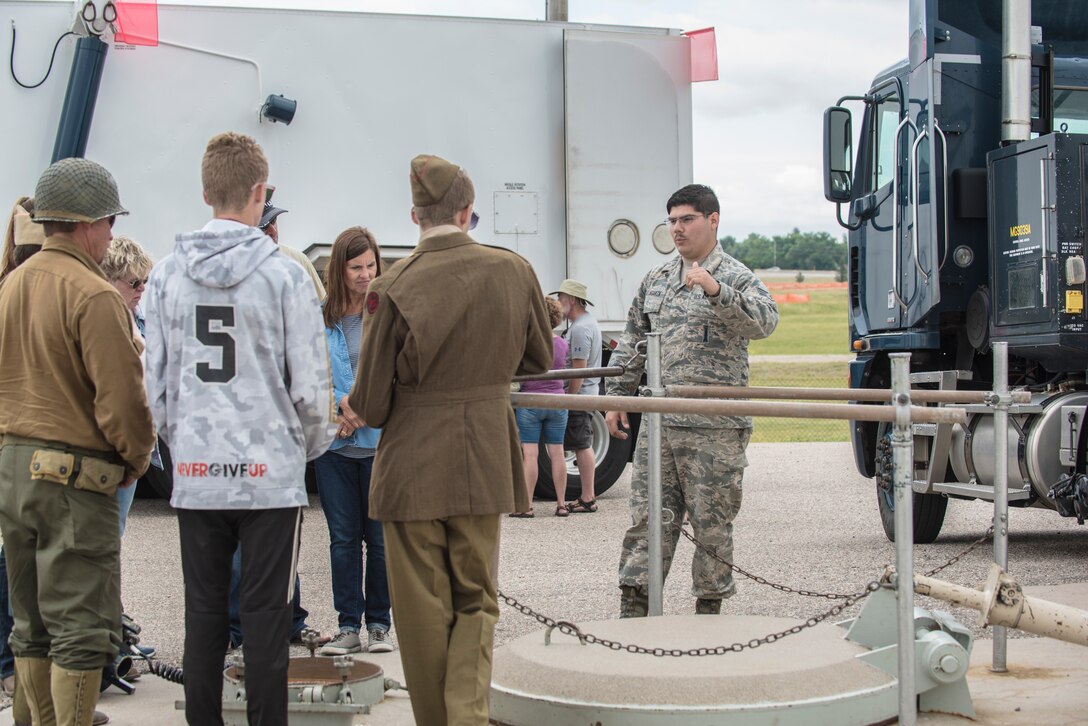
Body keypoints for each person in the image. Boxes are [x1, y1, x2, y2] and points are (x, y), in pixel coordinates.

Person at [350, 154, 552, 725]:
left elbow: (371, 403)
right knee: (477, 599)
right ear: (468, 212)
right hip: (486, 451)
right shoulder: (513, 270)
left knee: (420, 613)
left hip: (412, 463)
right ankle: (467, 717)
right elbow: (538, 357)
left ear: (414, 214)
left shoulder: (393, 287)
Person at [143, 132, 335, 726]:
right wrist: (307, 447)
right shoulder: (285, 277)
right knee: (265, 620)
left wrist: (181, 443)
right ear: (260, 192)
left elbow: (153, 385)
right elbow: (309, 385)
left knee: (202, 617)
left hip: (199, 473)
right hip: (269, 475)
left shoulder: (168, 276)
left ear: (205, 192)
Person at [0, 159, 156, 725]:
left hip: (13, 470)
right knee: (83, 631)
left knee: (31, 625)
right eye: (109, 220)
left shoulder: (11, 284)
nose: (112, 232)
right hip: (72, 476)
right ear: (88, 223)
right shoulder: (93, 294)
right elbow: (123, 402)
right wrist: (137, 459)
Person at [606, 183, 779, 617]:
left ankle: (708, 617)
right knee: (648, 522)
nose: (677, 229)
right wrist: (616, 399)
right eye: (672, 220)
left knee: (711, 527)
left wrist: (717, 290)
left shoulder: (735, 275)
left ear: (712, 220)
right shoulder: (657, 279)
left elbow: (765, 322)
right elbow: (632, 342)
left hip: (713, 429)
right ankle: (636, 613)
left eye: (687, 219)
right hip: (659, 426)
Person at [225, 192, 328, 650]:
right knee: (251, 543)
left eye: (274, 223)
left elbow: (316, 335)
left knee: (273, 544)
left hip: (257, 430)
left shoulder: (285, 263)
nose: (272, 230)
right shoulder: (276, 268)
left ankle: (282, 621)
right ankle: (242, 630)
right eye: (265, 222)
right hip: (255, 430)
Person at [313, 227, 393, 656]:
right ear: (339, 269)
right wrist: (338, 408)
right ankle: (349, 625)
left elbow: (398, 370)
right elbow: (305, 375)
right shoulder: (318, 315)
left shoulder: (384, 313)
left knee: (379, 540)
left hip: (380, 445)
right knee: (343, 539)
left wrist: (362, 407)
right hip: (334, 448)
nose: (365, 275)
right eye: (356, 267)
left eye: (371, 266)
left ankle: (380, 624)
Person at [99, 236, 160, 537]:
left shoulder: (140, 322)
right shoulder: (99, 321)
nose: (142, 290)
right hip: (108, 449)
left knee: (114, 536)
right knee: (101, 540)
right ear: (109, 279)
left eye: (145, 281)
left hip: (135, 451)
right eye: (135, 282)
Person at [511, 296, 570, 518]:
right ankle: (562, 504)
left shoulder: (527, 342)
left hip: (531, 401)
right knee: (557, 453)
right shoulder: (562, 343)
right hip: (558, 401)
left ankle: (526, 506)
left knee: (530, 454)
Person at [553, 279, 603, 514]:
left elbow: (579, 369)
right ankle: (587, 496)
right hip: (584, 393)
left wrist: (569, 398)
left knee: (582, 444)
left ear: (572, 299)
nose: (558, 302)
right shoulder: (584, 323)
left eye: (561, 298)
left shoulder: (581, 328)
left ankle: (588, 497)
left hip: (580, 395)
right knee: (582, 442)